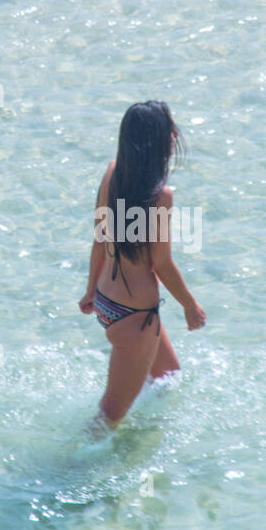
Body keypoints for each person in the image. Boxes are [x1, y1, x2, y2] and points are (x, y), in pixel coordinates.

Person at [78, 101, 205, 431]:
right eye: (171, 127)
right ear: (161, 139)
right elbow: (161, 265)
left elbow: (99, 238)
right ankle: (71, 474)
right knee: (109, 416)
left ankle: (143, 440)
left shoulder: (112, 172)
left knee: (168, 378)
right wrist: (190, 306)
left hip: (109, 301)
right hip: (135, 317)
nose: (176, 131)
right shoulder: (160, 195)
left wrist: (91, 290)